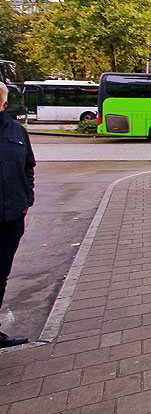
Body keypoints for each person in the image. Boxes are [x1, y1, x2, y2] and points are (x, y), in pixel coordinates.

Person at [0, 83, 33, 347]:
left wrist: (27, 200)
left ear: (3, 101)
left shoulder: (16, 131)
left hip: (11, 219)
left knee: (0, 276)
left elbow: (28, 167)